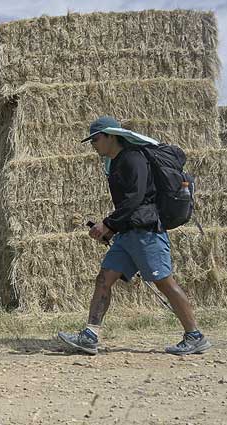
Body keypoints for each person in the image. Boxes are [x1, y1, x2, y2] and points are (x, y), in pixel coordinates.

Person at [57, 116, 210, 357]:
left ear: (110, 136)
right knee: (104, 279)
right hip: (128, 233)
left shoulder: (133, 158)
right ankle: (90, 335)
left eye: (95, 139)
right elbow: (128, 204)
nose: (93, 145)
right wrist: (113, 227)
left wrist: (107, 224)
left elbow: (136, 199)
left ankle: (194, 336)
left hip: (146, 232)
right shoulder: (116, 163)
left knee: (164, 282)